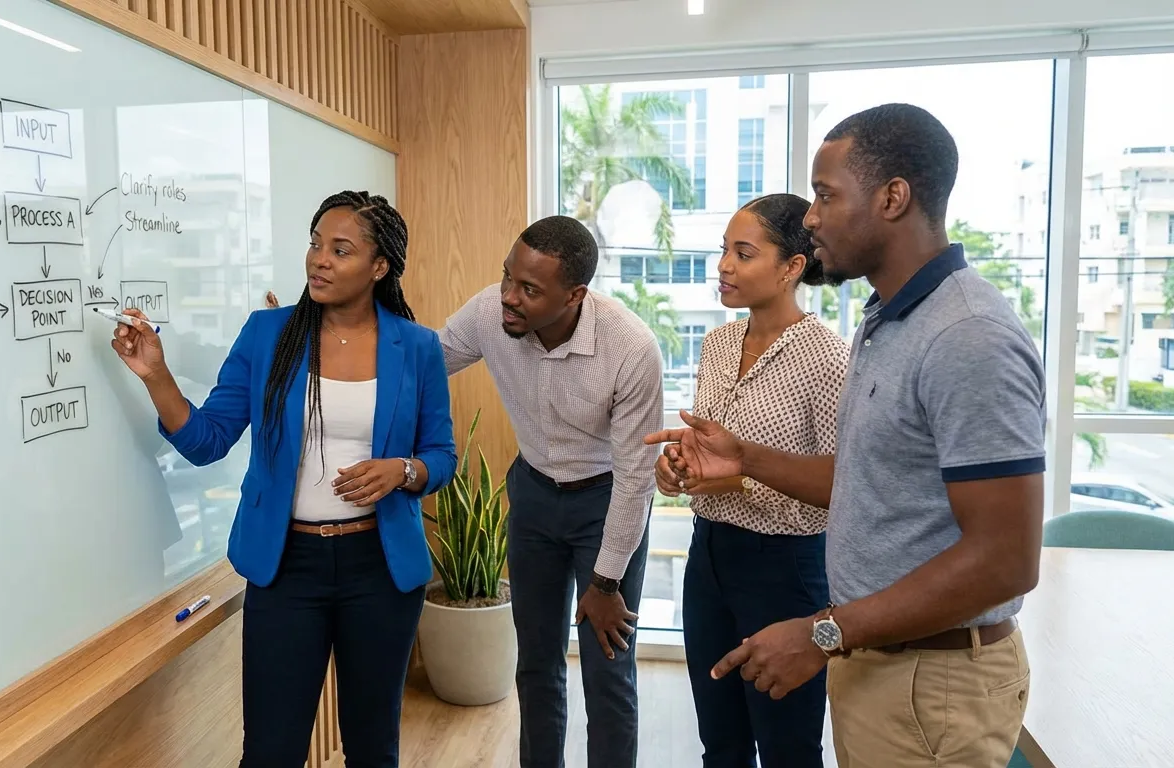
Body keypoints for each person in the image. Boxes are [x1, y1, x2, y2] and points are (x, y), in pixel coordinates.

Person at [646, 103, 1045, 768]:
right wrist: (742, 456)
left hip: (932, 680)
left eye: (826, 195)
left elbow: (1007, 560)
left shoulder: (967, 335)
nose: (810, 216)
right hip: (877, 657)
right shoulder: (887, 321)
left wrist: (824, 631)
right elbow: (857, 479)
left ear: (893, 198)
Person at [111, 190, 457, 768]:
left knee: (374, 749)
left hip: (380, 567)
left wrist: (404, 471)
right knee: (271, 752)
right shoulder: (269, 335)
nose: (320, 259)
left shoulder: (416, 346)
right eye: (315, 243)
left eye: (340, 249)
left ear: (379, 267)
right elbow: (206, 441)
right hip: (286, 567)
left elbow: (440, 455)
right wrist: (157, 375)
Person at [438, 215, 665, 768]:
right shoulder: (493, 311)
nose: (509, 298)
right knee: (536, 664)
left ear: (575, 295)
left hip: (606, 503)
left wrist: (606, 582)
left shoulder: (631, 348)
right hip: (535, 496)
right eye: (507, 278)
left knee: (607, 670)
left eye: (530, 290)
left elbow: (637, 477)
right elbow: (424, 361)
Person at [655, 193, 846, 767]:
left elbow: (841, 485)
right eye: (723, 251)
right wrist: (679, 470)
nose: (724, 267)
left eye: (743, 253)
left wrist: (733, 480)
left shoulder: (828, 359)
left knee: (787, 746)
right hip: (708, 556)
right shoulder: (715, 344)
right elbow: (710, 453)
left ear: (792, 267)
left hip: (785, 569)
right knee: (721, 740)